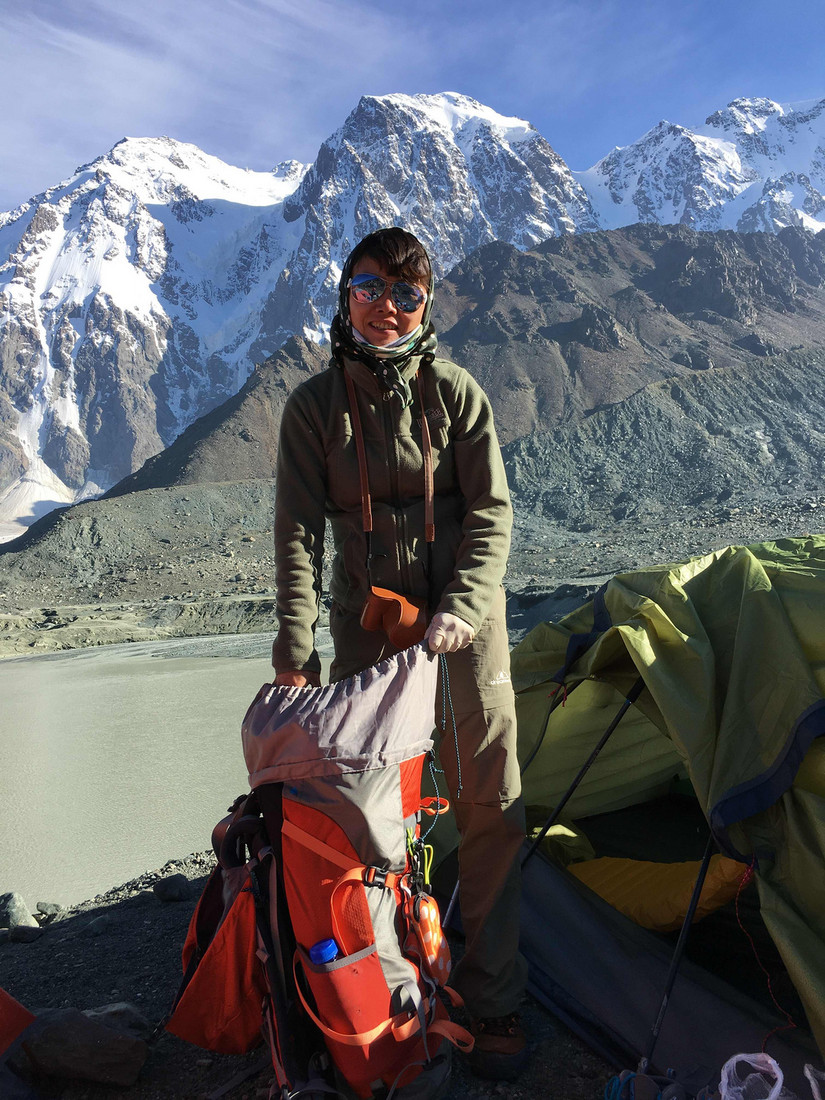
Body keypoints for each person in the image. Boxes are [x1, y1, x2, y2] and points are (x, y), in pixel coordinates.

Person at [271, 226, 527, 1080]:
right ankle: (394, 991)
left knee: (487, 799)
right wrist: (294, 647)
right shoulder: (311, 408)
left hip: (465, 626)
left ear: (428, 307)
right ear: (344, 296)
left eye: (407, 293)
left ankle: (491, 998)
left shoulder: (456, 394)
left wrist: (461, 607)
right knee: (374, 814)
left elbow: (491, 514)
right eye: (370, 287)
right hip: (366, 631)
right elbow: (299, 532)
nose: (387, 306)